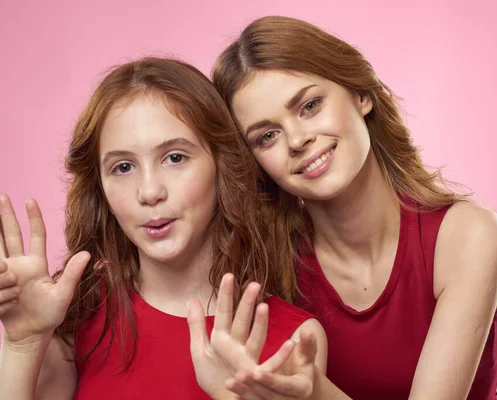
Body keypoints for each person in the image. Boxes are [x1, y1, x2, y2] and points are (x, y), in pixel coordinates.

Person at [210, 16, 497, 400]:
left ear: (361, 95)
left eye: (310, 105)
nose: (298, 139)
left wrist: (315, 393)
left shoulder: (469, 236)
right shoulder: (266, 265)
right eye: (267, 135)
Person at [0, 56, 327, 400]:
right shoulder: (75, 319)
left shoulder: (295, 341)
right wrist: (24, 344)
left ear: (224, 167)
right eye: (123, 167)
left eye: (175, 158)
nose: (149, 192)